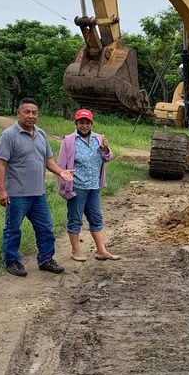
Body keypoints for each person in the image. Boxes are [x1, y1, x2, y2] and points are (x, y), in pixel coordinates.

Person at [0, 98, 74, 277]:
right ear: (18, 113)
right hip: (16, 194)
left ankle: (46, 259)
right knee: (13, 229)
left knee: (45, 227)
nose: (31, 116)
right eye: (27, 112)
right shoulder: (8, 135)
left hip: (38, 193)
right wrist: (1, 190)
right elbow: (0, 163)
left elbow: (48, 160)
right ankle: (12, 261)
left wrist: (60, 172)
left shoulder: (41, 134)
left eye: (34, 113)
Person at [57, 109, 119, 261]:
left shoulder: (99, 139)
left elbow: (108, 157)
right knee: (75, 219)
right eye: (81, 123)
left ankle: (101, 251)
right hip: (77, 187)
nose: (84, 126)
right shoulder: (69, 141)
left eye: (87, 123)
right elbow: (61, 166)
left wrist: (105, 148)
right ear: (76, 123)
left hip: (93, 187)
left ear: (91, 124)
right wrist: (65, 187)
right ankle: (75, 251)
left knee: (96, 219)